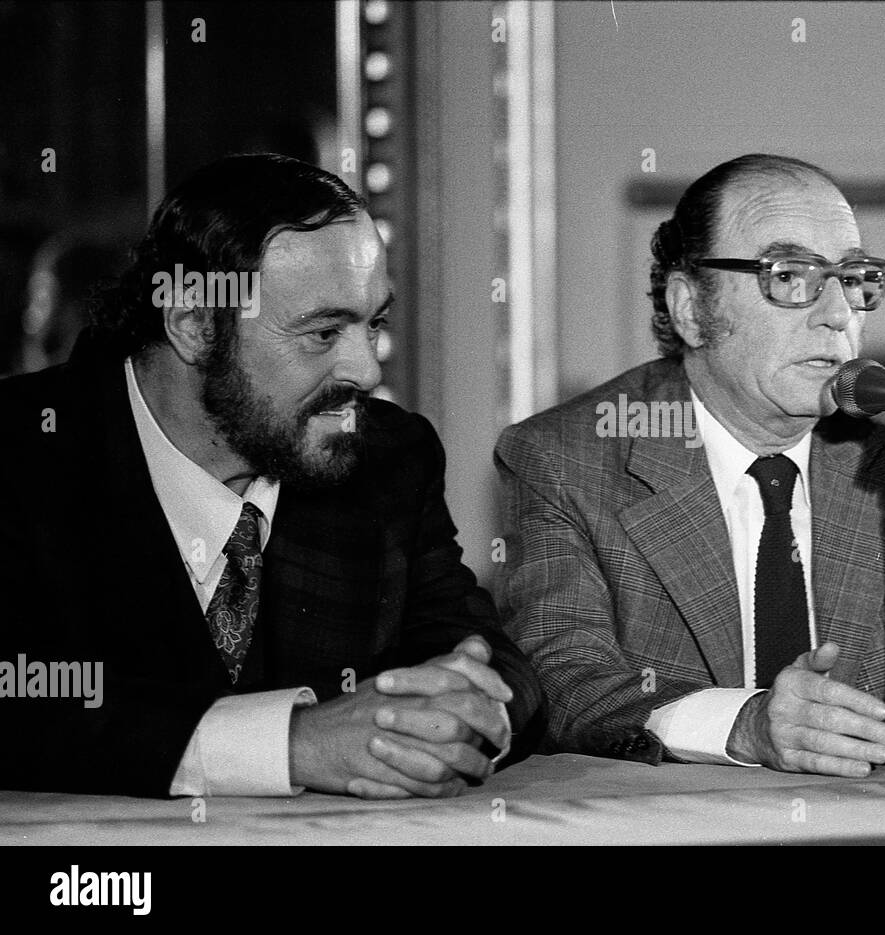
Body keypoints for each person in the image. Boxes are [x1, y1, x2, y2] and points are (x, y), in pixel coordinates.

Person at [495, 153, 885, 777]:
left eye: (853, 278)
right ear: (690, 309)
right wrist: (744, 723)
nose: (837, 314)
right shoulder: (568, 457)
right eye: (790, 277)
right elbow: (563, 678)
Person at [0, 153, 544, 798]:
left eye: (375, 325)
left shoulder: (387, 457)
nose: (366, 371)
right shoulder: (22, 453)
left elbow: (484, 656)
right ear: (194, 324)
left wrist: (462, 716)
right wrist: (288, 744)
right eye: (322, 332)